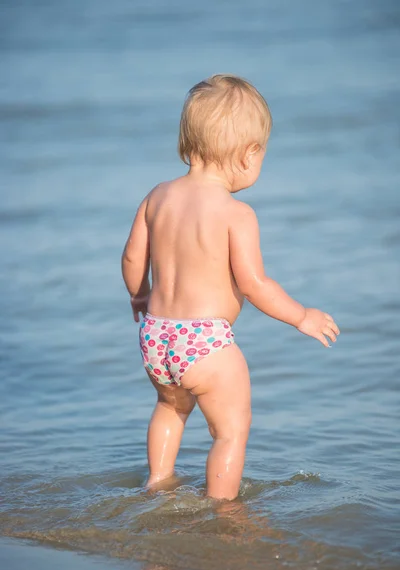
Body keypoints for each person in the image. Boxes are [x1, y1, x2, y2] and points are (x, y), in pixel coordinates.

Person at [122, 74, 339, 501]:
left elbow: (132, 258)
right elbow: (255, 285)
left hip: (156, 335)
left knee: (170, 408)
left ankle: (157, 482)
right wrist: (301, 316)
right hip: (206, 342)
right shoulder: (236, 214)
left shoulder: (157, 197)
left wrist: (140, 296)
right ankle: (222, 510)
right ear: (248, 154)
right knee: (230, 432)